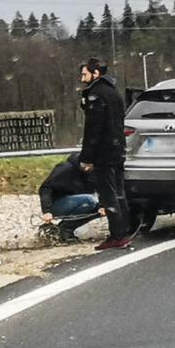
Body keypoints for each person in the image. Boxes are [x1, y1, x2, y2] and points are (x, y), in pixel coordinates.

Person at [78, 57, 133, 251]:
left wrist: (87, 157)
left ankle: (117, 235)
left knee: (108, 194)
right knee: (119, 192)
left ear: (95, 73)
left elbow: (93, 129)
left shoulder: (96, 95)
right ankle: (125, 230)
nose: (81, 78)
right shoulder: (114, 93)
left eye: (84, 74)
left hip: (104, 152)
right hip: (118, 149)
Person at [38, 152, 101, 242]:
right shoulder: (65, 169)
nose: (87, 168)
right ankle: (64, 229)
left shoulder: (94, 172)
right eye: (85, 165)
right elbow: (45, 188)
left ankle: (65, 229)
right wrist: (47, 211)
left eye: (90, 166)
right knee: (90, 200)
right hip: (57, 203)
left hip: (79, 201)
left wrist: (102, 207)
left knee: (100, 207)